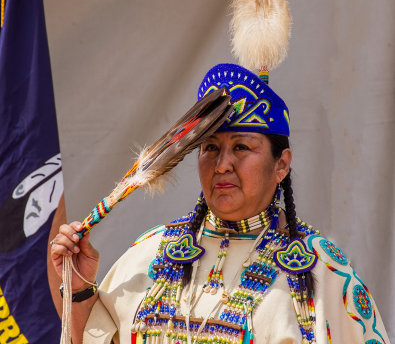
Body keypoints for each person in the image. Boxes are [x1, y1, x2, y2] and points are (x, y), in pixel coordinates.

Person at [51, 62, 390, 344]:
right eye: (210, 148)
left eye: (241, 147)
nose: (223, 164)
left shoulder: (321, 272)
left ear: (281, 164)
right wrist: (80, 290)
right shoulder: (150, 253)